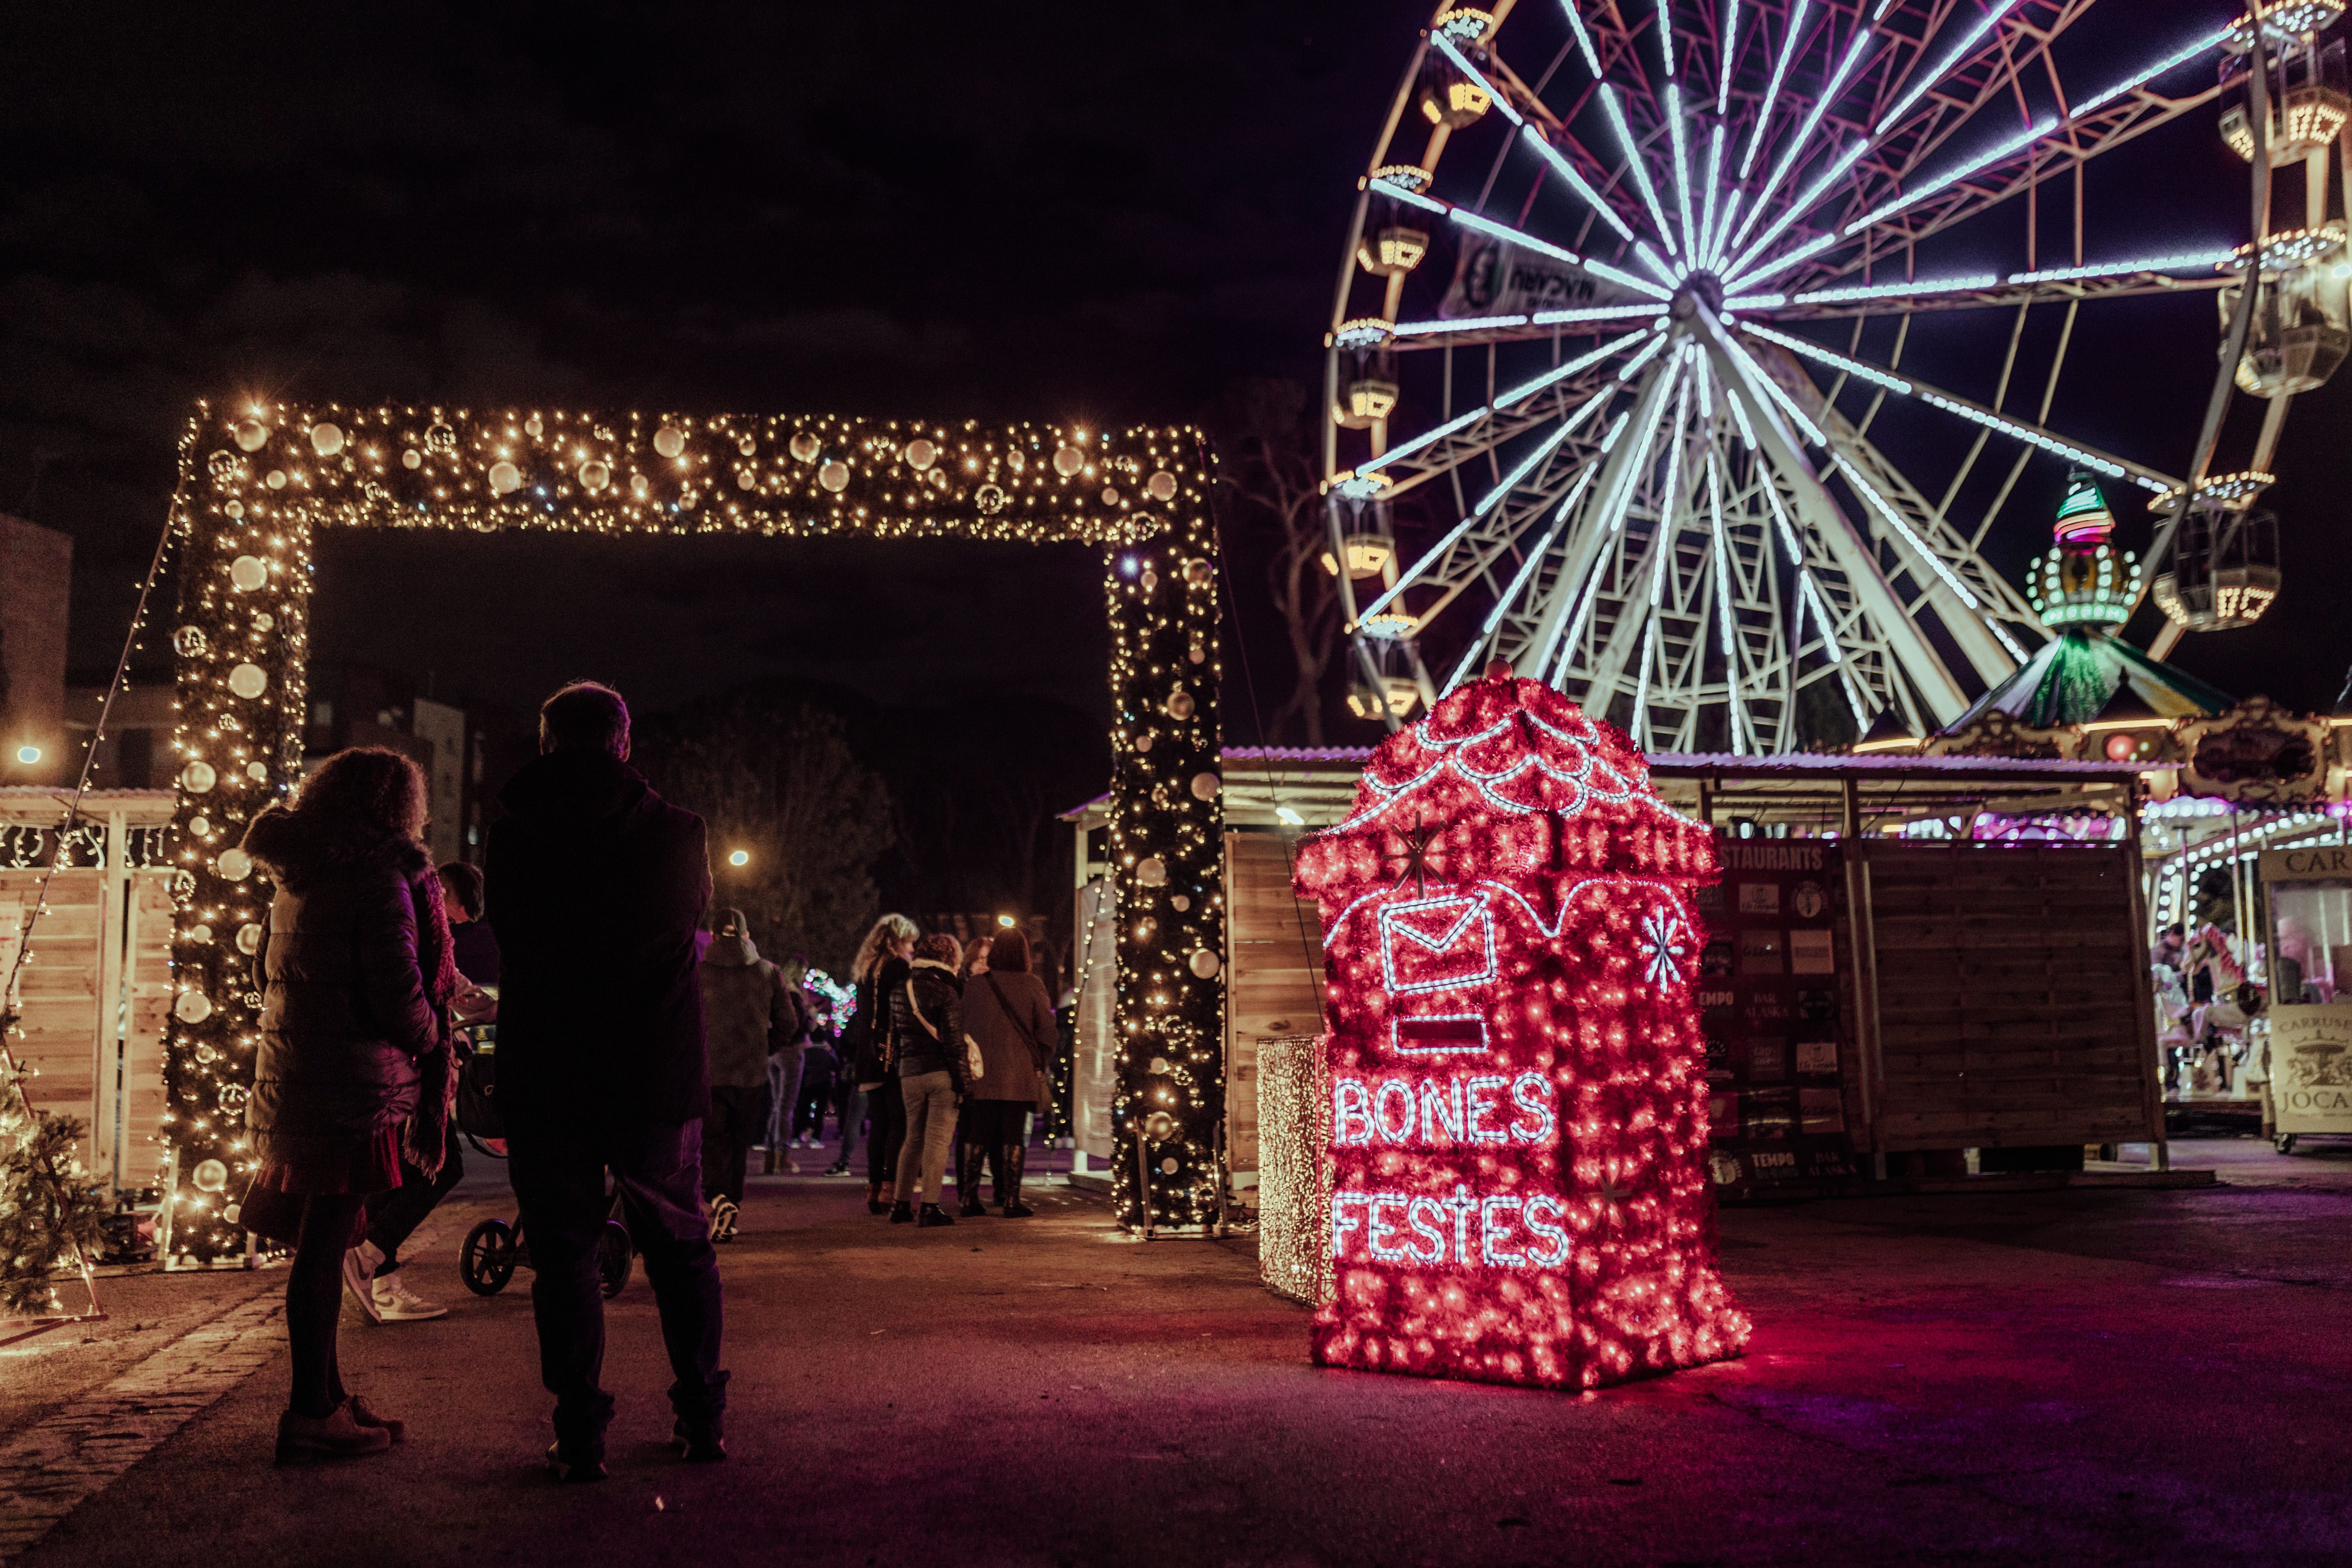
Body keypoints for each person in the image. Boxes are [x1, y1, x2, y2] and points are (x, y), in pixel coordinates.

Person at [488, 681, 727, 1482]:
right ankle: (700, 1416)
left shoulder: (514, 830)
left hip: (548, 1067)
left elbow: (512, 940)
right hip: (650, 1066)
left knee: (563, 1256)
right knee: (680, 1245)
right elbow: (691, 932)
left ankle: (580, 1431)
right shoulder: (677, 831)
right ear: (623, 742)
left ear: (548, 741)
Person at [240, 747, 456, 1462]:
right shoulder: (379, 877)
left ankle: (327, 1395)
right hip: (355, 1085)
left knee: (320, 1241)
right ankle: (311, 1410)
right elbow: (397, 988)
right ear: (397, 807)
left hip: (301, 1074)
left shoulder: (298, 874)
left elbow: (272, 969)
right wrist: (432, 1039)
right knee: (325, 1243)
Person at [341, 861, 500, 1324]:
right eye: (457, 911)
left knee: (397, 1172)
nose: (456, 922)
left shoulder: (394, 917)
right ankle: (368, 1256)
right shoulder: (418, 931)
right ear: (443, 892)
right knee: (440, 1165)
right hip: (406, 1071)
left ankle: (382, 1280)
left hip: (387, 1068)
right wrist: (449, 1024)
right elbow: (449, 990)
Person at [698, 907, 799, 1240]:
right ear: (746, 935)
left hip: (710, 1073)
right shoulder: (768, 972)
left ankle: (717, 1198)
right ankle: (732, 1211)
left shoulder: (697, 973)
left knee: (712, 1143)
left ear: (713, 936)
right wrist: (764, 1047)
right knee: (739, 1145)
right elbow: (789, 1023)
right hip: (751, 1075)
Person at [957, 928, 1057, 1218]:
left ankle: (969, 1197)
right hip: (1019, 1072)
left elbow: (963, 1026)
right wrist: (1039, 1059)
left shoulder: (976, 985)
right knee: (1013, 1134)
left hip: (984, 1072)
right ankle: (1011, 1199)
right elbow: (1048, 1030)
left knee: (979, 1131)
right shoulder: (1032, 984)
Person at [889, 932, 968, 1227]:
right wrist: (964, 1083)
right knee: (937, 1141)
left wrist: (903, 1066)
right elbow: (954, 1042)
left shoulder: (901, 988)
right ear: (950, 959)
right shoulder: (948, 991)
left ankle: (900, 1204)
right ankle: (929, 1206)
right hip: (939, 1073)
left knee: (913, 1138)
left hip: (909, 1073)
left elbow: (894, 1036)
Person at [842, 914, 918, 1201]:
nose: (912, 948)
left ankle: (874, 1187)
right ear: (898, 940)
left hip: (868, 1054)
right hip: (892, 1052)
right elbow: (903, 1010)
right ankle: (891, 1185)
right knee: (899, 1120)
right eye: (909, 942)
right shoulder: (899, 968)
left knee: (879, 1123)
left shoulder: (866, 968)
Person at [760, 954, 811, 1174]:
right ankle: (782, 1156)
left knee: (777, 1105)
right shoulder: (794, 995)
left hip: (773, 1053)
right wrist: (809, 1022)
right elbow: (797, 1025)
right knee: (786, 1106)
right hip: (791, 1052)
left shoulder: (774, 992)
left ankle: (770, 1157)